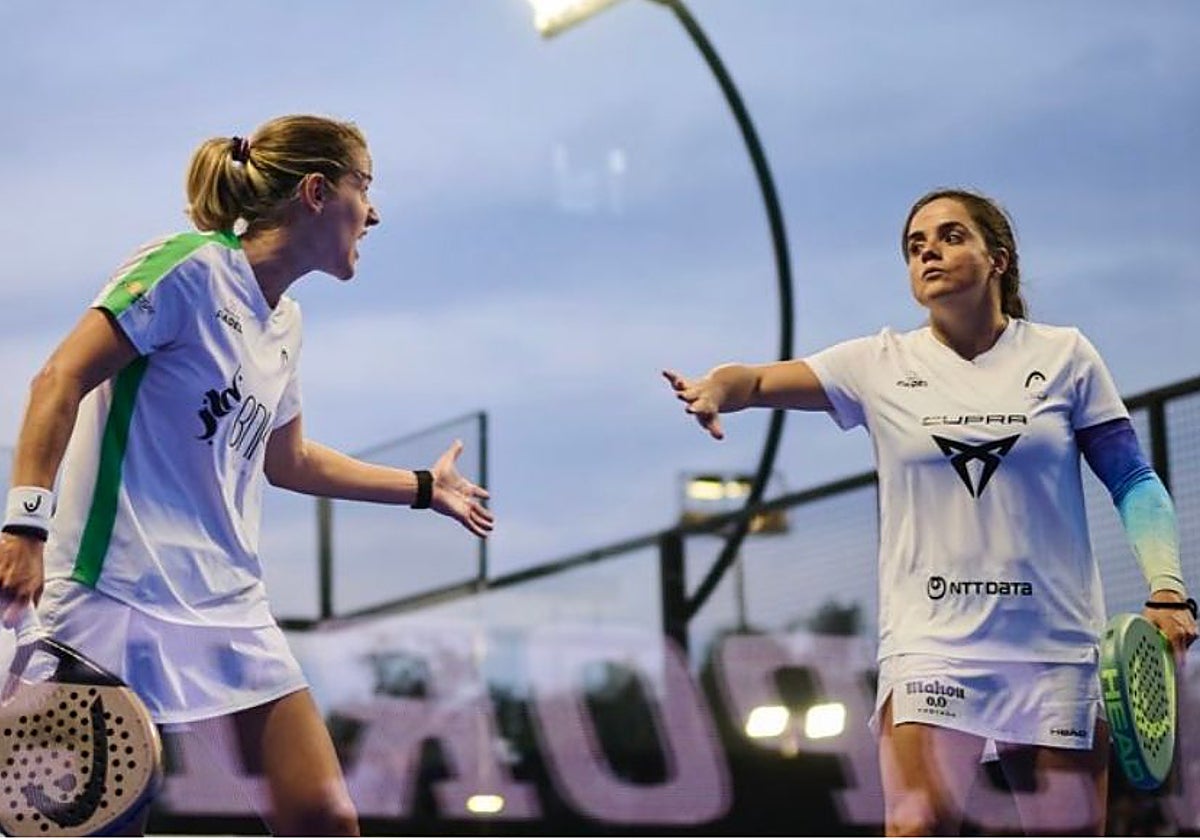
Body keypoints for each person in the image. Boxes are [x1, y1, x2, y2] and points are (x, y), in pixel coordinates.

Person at [0, 114, 494, 835]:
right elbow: (58, 380)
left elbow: (288, 459)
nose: (376, 211)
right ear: (318, 191)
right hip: (109, 596)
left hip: (225, 607)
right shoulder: (188, 267)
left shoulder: (285, 324)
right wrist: (24, 526)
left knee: (326, 820)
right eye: (367, 187)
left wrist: (424, 487)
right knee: (97, 828)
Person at [664, 187, 1197, 835]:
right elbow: (753, 379)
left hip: (1054, 646)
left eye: (949, 237)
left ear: (997, 258)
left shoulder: (1066, 356)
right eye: (915, 247)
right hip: (932, 645)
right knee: (915, 824)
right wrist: (716, 389)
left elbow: (1134, 480)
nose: (928, 253)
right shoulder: (877, 363)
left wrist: (1168, 589)